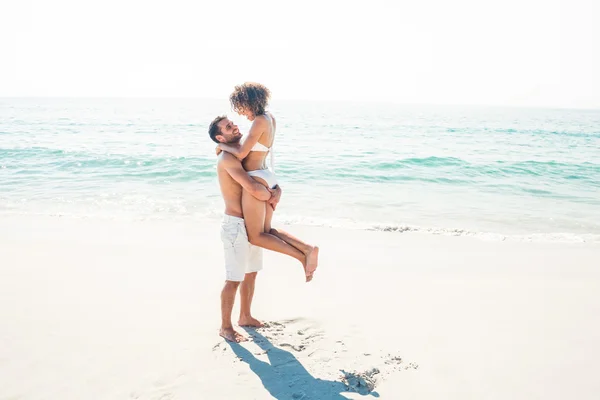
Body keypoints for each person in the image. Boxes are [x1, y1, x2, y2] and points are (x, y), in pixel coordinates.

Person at [216, 82, 319, 279]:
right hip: (267, 175)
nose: (242, 113)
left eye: (242, 108)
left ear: (249, 103)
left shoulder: (259, 121)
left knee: (256, 236)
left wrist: (222, 147)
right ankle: (307, 248)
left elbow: (242, 152)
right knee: (266, 232)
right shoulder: (270, 118)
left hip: (257, 178)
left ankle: (302, 255)